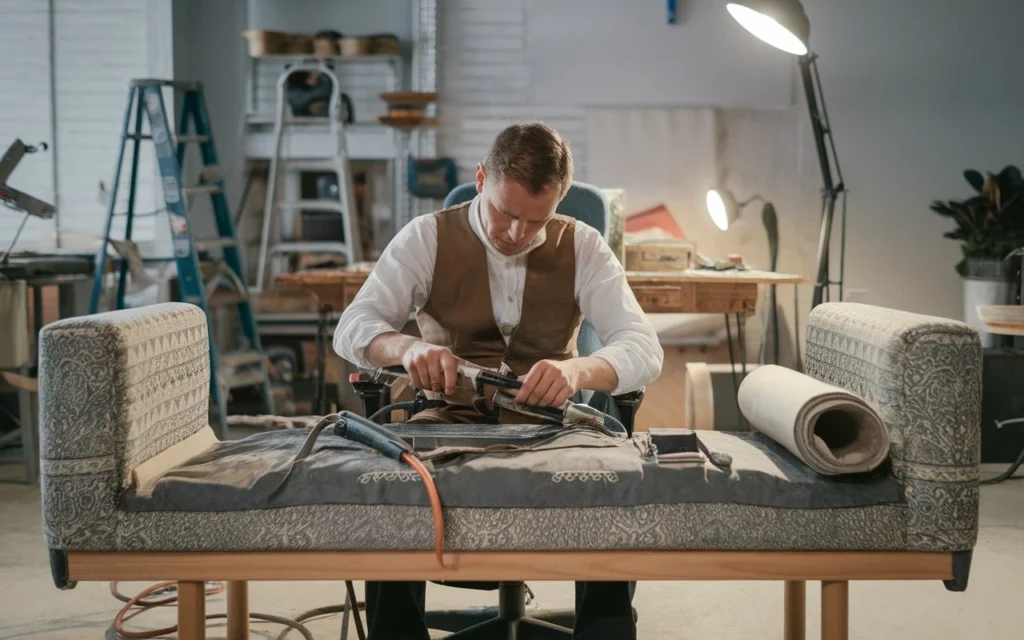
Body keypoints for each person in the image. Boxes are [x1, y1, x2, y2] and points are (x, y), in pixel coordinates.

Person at [333, 121, 664, 639]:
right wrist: (407, 347)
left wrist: (577, 370)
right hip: (448, 416)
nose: (517, 234)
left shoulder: (584, 245)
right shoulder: (427, 236)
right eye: (506, 214)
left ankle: (604, 628)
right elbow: (353, 328)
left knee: (612, 481)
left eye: (537, 220)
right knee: (392, 485)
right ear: (482, 177)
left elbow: (644, 347)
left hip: (551, 424)